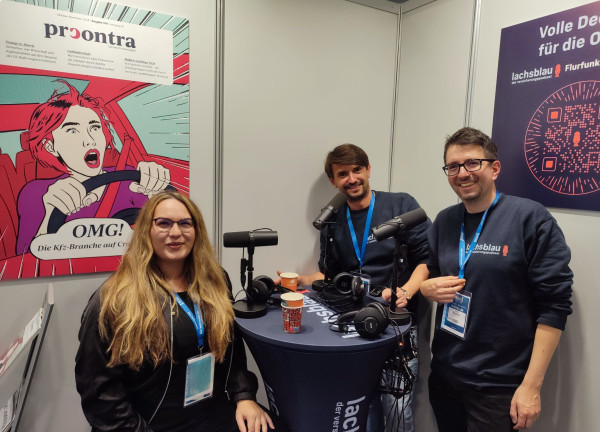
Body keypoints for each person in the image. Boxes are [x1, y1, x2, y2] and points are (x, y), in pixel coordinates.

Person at [75, 190, 276, 432]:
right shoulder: (114, 298)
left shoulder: (215, 281)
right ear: (146, 231)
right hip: (146, 424)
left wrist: (244, 396)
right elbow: (99, 393)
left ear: (197, 230)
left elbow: (231, 348)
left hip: (210, 413)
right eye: (164, 223)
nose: (175, 232)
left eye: (185, 223)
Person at [421, 127, 573, 432]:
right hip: (446, 375)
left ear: (495, 168)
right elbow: (432, 271)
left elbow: (554, 307)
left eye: (472, 163)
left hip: (499, 386)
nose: (462, 174)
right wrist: (426, 288)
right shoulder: (445, 220)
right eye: (453, 166)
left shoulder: (530, 218)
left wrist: (531, 387)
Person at [278, 143, 430, 432]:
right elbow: (329, 275)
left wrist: (407, 290)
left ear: (368, 169)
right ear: (333, 181)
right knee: (362, 405)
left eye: (357, 170)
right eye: (342, 174)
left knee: (397, 408)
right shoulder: (332, 220)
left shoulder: (401, 205)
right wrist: (297, 280)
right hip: (354, 328)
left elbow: (427, 260)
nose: (352, 179)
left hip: (395, 326)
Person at [16, 80, 170, 253]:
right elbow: (24, 261)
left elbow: (163, 235)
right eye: (72, 131)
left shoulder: (129, 179)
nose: (90, 140)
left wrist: (157, 191)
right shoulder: (36, 193)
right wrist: (49, 216)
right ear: (50, 146)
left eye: (95, 128)